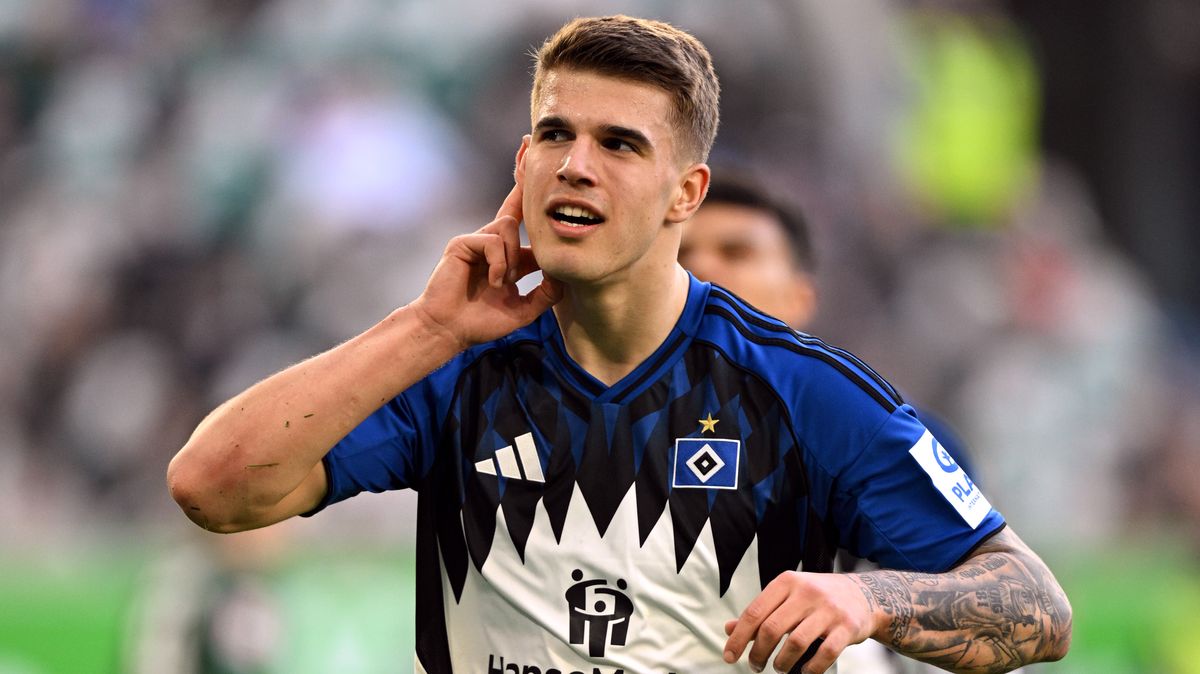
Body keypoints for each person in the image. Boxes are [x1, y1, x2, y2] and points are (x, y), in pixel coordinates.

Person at [167, 15, 1072, 674]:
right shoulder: (450, 369)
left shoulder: (802, 392)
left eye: (619, 144)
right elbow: (213, 488)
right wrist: (428, 325)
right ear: (522, 164)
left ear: (686, 193)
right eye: (554, 134)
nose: (576, 164)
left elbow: (1037, 607)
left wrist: (871, 598)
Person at [679, 175, 987, 674]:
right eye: (681, 254)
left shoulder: (887, 438)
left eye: (736, 252)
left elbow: (993, 606)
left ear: (801, 297)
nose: (702, 269)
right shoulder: (586, 420)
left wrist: (871, 602)